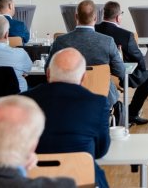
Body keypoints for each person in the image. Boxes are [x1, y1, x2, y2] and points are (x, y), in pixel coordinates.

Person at [23, 48, 111, 188]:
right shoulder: (98, 103)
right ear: (83, 77)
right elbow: (101, 150)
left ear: (48, 73)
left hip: (30, 180)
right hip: (81, 180)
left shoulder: (22, 101)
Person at [47, 0, 124, 111]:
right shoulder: (107, 41)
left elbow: (48, 69)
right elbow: (121, 71)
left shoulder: (60, 41)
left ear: (76, 17)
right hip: (102, 97)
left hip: (68, 98)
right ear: (96, 18)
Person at [95, 0, 148, 125]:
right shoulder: (126, 35)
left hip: (93, 74)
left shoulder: (93, 30)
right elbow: (138, 58)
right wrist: (143, 69)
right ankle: (131, 113)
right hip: (117, 75)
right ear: (118, 17)